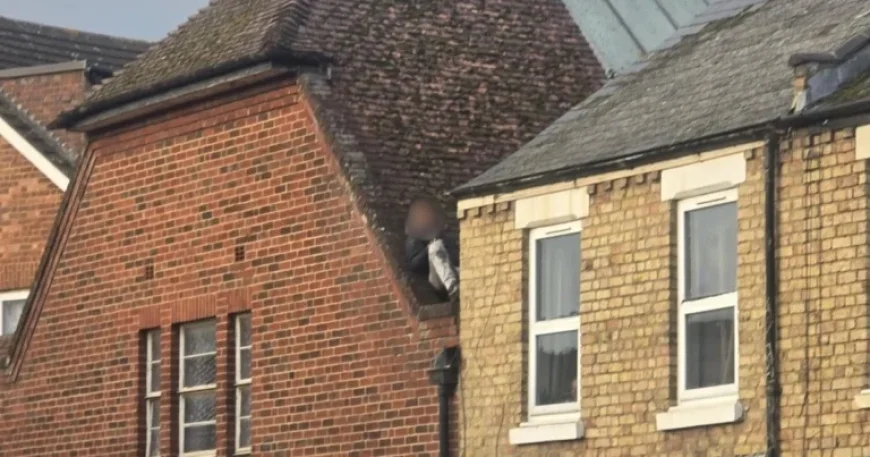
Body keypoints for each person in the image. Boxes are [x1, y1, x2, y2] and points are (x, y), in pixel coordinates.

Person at [404, 197, 459, 300]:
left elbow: (457, 256)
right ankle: (452, 287)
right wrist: (427, 250)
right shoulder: (415, 238)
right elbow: (414, 264)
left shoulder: (444, 238)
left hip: (452, 270)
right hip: (436, 279)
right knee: (435, 247)